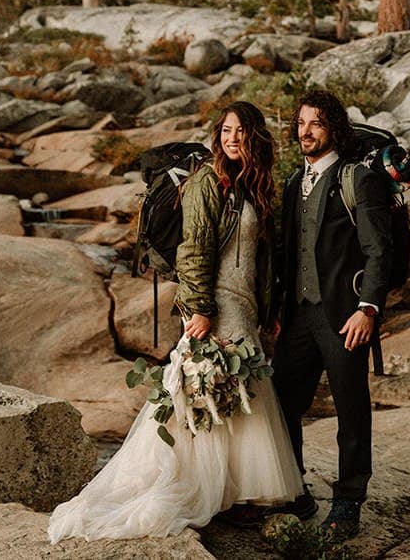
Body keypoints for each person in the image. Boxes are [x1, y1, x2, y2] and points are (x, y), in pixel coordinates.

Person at [47, 101, 303, 542]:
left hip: (244, 307)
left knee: (238, 391)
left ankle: (234, 490)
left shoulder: (252, 185)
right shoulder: (208, 180)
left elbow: (261, 260)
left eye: (241, 131)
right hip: (216, 306)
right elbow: (194, 247)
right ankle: (204, 487)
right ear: (217, 136)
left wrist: (269, 312)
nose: (233, 139)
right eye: (226, 131)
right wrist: (199, 308)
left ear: (255, 136)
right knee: (209, 393)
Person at [274, 88, 392, 541]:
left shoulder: (357, 178)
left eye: (316, 124)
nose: (305, 131)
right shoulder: (292, 183)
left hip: (345, 315)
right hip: (299, 315)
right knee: (282, 402)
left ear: (334, 129)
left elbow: (378, 249)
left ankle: (348, 501)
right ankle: (294, 488)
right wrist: (279, 309)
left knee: (350, 407)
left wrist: (368, 309)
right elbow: (289, 252)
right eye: (301, 123)